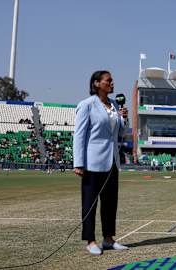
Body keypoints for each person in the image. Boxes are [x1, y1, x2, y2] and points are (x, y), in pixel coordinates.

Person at [73, 70, 129, 255]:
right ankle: (90, 240)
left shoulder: (114, 105)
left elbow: (120, 134)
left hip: (112, 160)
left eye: (112, 80)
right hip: (92, 162)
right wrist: (78, 163)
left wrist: (124, 118)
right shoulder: (87, 105)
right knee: (90, 202)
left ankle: (108, 239)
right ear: (97, 83)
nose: (112, 83)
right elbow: (79, 135)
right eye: (108, 80)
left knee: (110, 202)